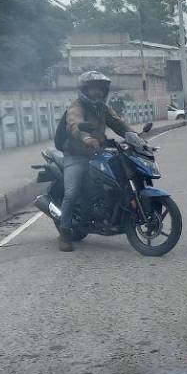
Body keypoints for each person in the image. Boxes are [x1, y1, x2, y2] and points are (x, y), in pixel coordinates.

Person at [56, 71, 135, 252]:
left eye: (100, 89)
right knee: (72, 192)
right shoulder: (76, 106)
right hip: (76, 155)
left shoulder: (103, 108)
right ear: (85, 90)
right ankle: (64, 233)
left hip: (97, 153)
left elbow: (119, 124)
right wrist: (85, 138)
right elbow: (74, 124)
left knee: (114, 180)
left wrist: (136, 137)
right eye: (93, 89)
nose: (97, 92)